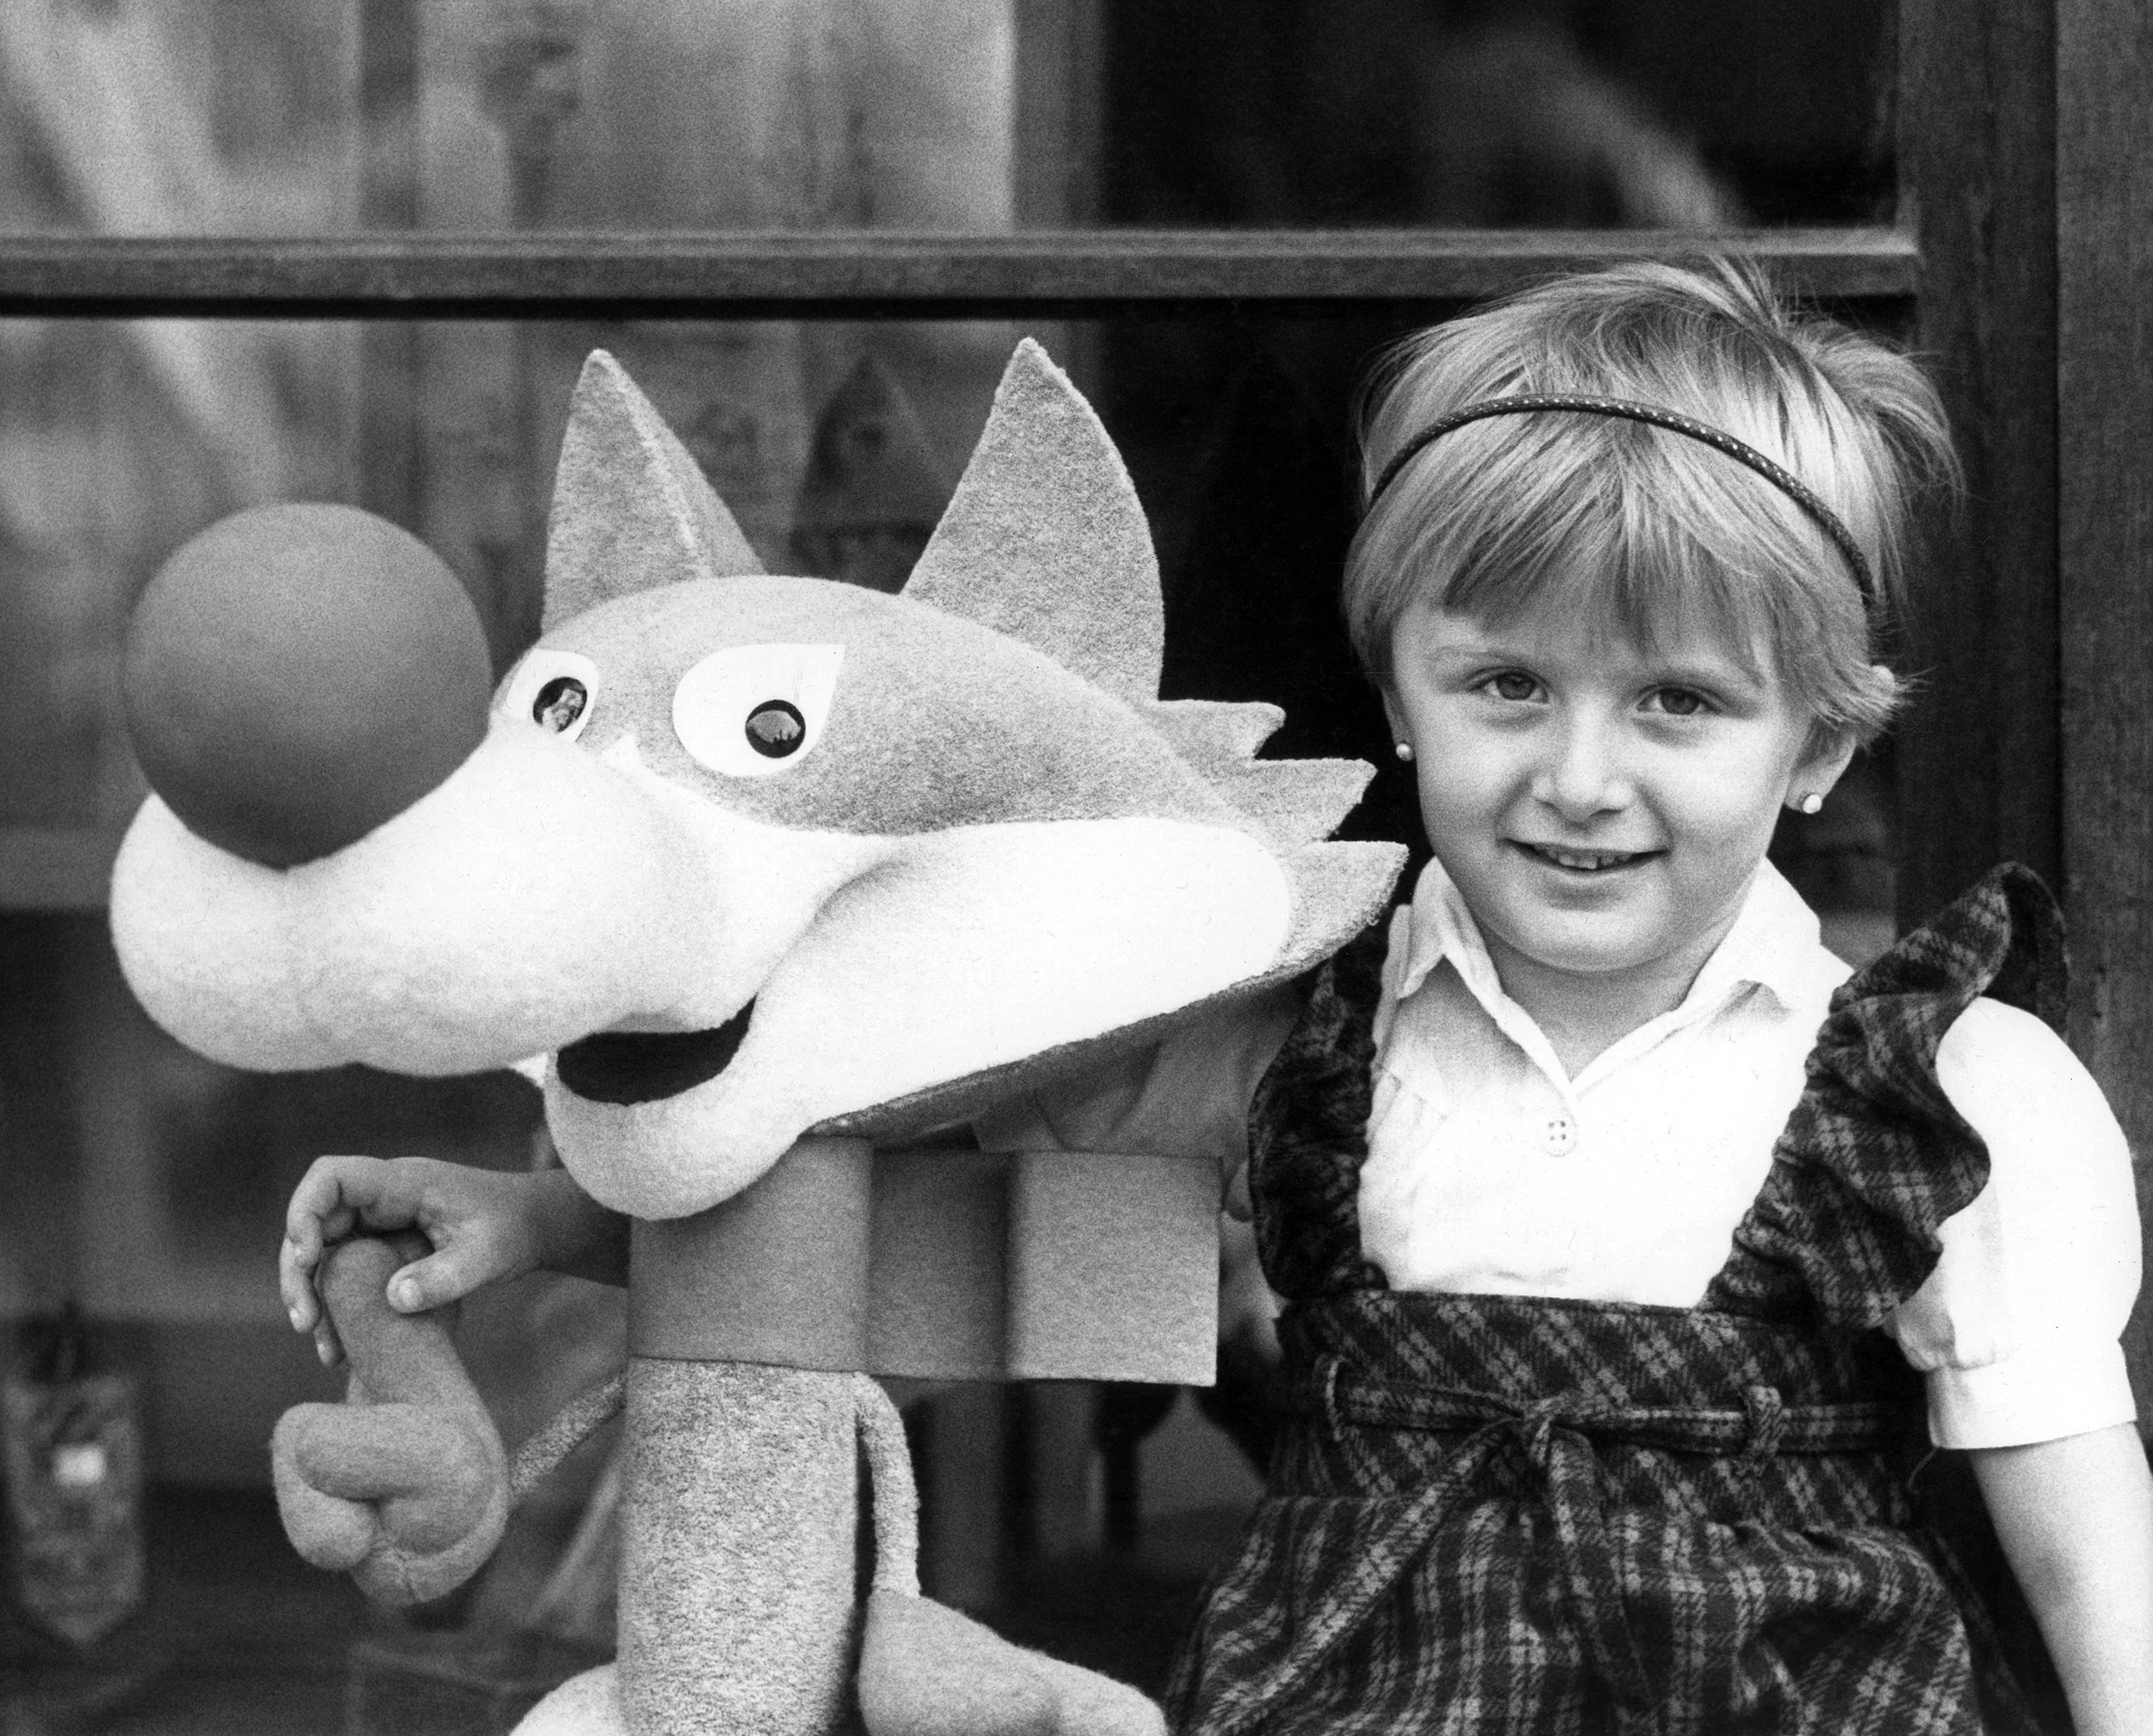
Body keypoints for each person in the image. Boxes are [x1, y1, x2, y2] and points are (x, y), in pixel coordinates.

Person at [282, 260, 2153, 1733]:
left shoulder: (1952, 1093)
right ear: (1399, 693)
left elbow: (2068, 1522)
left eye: (1674, 702)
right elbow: (923, 1249)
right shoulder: (1296, 1050)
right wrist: (541, 1220)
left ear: (1818, 747)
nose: (1580, 776)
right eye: (1505, 686)